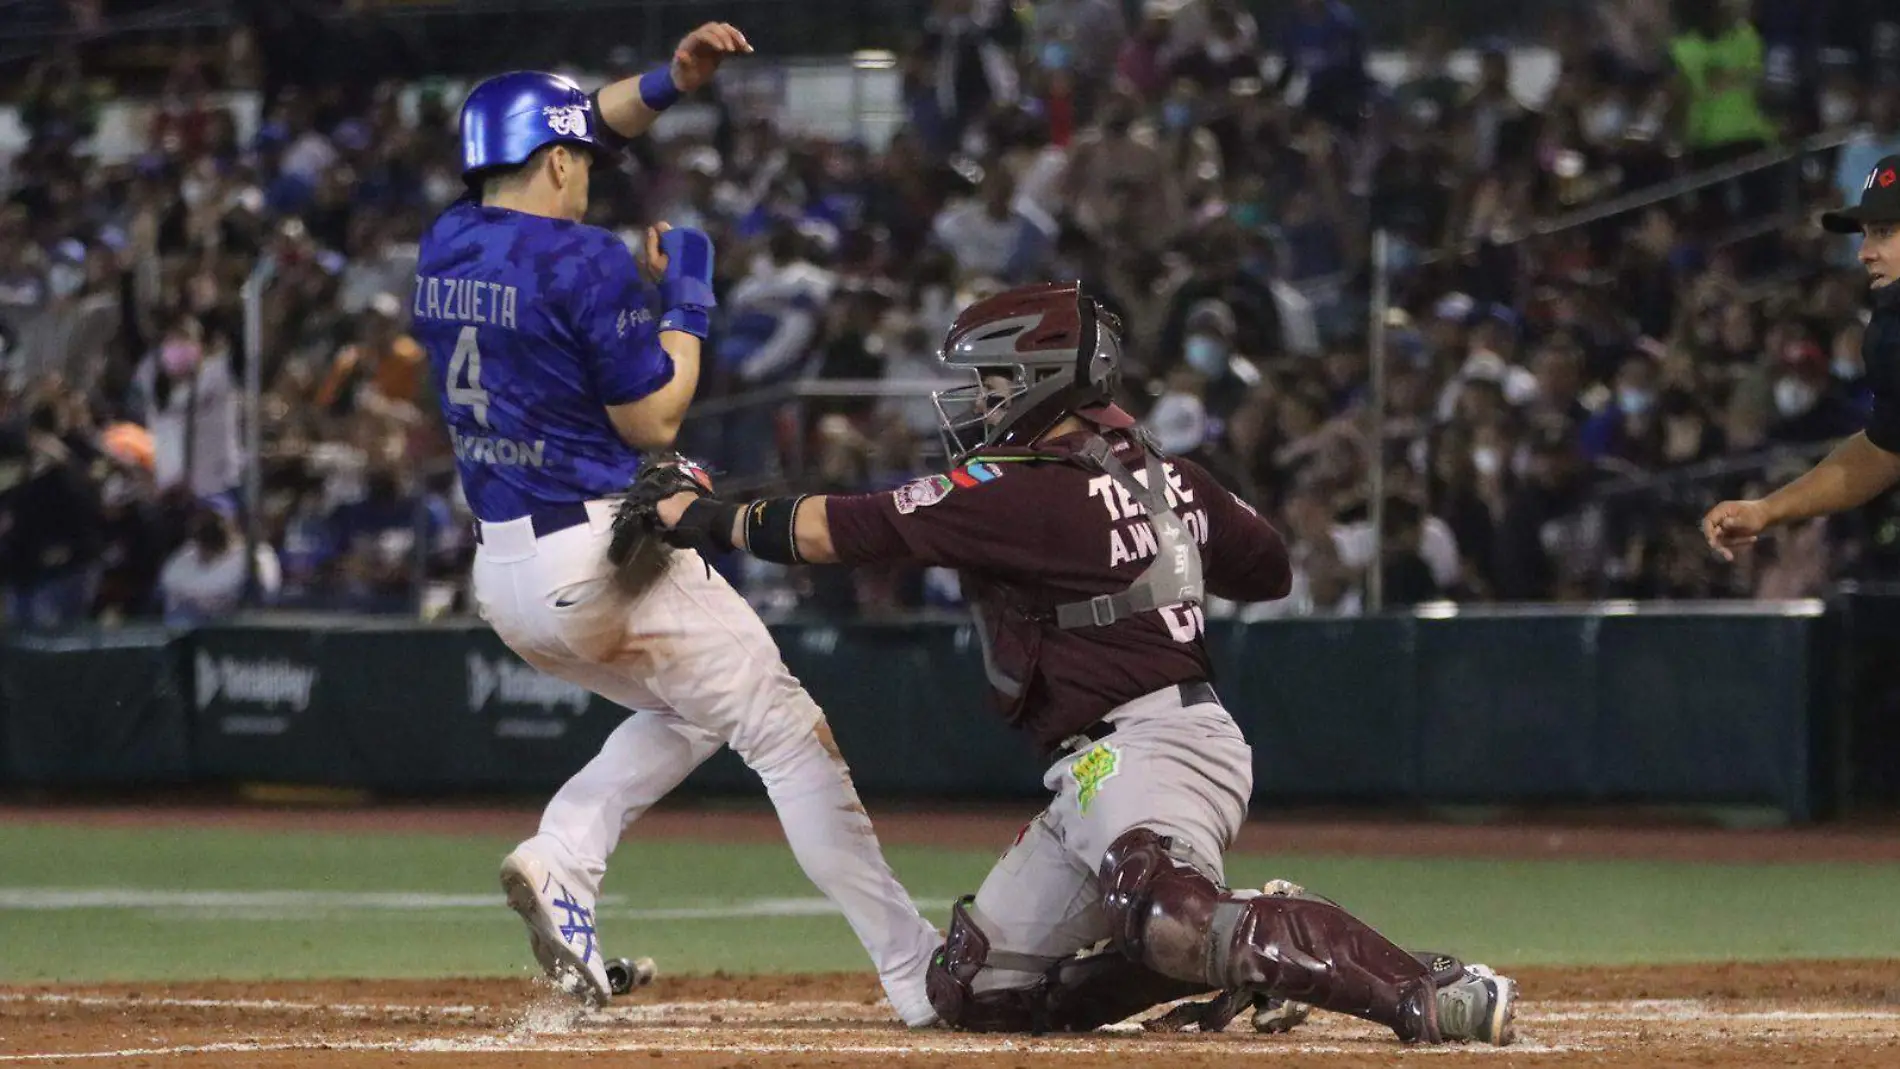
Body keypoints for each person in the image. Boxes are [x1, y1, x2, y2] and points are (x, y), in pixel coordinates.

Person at [650, 282, 1517, 1043]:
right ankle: (1239, 950)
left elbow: (838, 531)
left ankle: (1426, 988)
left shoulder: (1021, 485)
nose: (980, 407)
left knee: (1171, 918)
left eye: (992, 386)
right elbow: (1270, 567)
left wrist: (701, 514)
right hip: (1099, 766)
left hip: (1154, 747)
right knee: (976, 990)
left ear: (1036, 382)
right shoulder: (1168, 474)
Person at [414, 26, 941, 1025]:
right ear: (558, 162)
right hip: (603, 555)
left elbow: (578, 127)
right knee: (786, 733)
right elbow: (654, 417)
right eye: (580, 160)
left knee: (695, 710)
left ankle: (564, 857)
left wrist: (670, 82)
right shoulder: (584, 257)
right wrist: (689, 294)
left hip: (508, 575)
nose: (589, 173)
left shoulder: (444, 239)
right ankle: (918, 970)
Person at [1704, 154, 1900, 560]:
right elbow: (1884, 449)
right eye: (1865, 234)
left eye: (1883, 232)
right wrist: (1766, 509)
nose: (1864, 252)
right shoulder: (1889, 330)